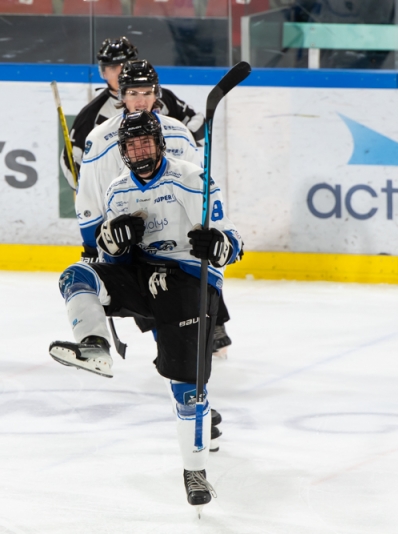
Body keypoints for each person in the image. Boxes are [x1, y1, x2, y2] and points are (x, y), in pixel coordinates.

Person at [49, 111, 243, 509]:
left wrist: (218, 245)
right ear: (122, 150)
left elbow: (232, 240)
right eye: (131, 146)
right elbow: (111, 260)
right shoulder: (118, 191)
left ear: (159, 143)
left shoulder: (191, 179)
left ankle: (195, 472)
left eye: (145, 143)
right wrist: (114, 245)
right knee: (77, 276)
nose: (139, 151)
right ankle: (94, 346)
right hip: (142, 277)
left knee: (186, 389)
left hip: (188, 282)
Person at [77, 59, 232, 358]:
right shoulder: (100, 137)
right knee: (149, 301)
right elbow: (89, 194)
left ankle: (210, 327)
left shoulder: (178, 132)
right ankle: (172, 348)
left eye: (146, 93)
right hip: (131, 233)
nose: (140, 101)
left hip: (177, 233)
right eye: (133, 93)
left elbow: (199, 186)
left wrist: (208, 234)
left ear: (157, 94)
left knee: (191, 280)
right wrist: (92, 242)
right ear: (121, 96)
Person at [60, 36, 205, 191]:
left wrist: (183, 138)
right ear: (104, 72)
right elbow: (70, 158)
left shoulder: (163, 99)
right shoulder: (92, 113)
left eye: (124, 66)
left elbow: (199, 125)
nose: (119, 73)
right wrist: (86, 192)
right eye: (113, 68)